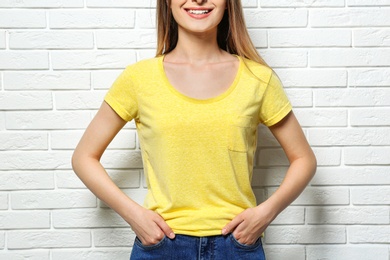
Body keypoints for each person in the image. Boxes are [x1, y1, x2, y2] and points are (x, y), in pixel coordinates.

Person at [72, 0, 317, 259]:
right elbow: (83, 157)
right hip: (162, 245)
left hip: (235, 245)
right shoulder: (138, 79)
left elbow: (304, 159)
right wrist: (135, 216)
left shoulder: (257, 78)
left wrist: (264, 214)